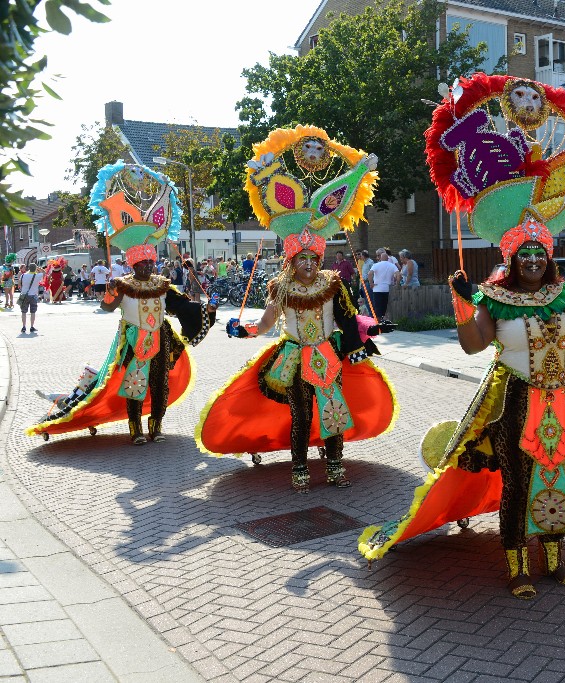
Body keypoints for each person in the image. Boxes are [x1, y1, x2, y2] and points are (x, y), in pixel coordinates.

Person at [360, 73, 565, 599]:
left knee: (561, 482)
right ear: (511, 260)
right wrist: (463, 298)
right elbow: (472, 345)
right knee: (518, 483)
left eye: (540, 254)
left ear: (548, 258)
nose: (533, 261)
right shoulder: (496, 297)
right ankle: (516, 566)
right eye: (524, 255)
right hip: (514, 403)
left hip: (564, 405)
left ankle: (554, 559)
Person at [199, 123, 390, 492]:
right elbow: (269, 321)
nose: (308, 264)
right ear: (291, 259)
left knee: (333, 411)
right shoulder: (281, 286)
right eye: (301, 258)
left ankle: (335, 465)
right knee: (301, 414)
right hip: (294, 358)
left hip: (328, 354)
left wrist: (366, 337)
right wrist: (247, 330)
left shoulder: (332, 283)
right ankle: (299, 467)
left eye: (312, 257)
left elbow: (349, 319)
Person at [27, 161, 217, 444]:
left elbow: (181, 307)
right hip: (133, 339)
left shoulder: (161, 285)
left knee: (159, 384)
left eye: (150, 263)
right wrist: (111, 294)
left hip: (161, 339)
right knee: (134, 385)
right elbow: (106, 308)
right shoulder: (124, 285)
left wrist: (206, 310)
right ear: (133, 263)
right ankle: (136, 430)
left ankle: (156, 426)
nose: (146, 268)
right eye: (141, 264)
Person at [367, 249, 399, 318]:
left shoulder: (376, 265)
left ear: (380, 258)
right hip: (386, 289)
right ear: (387, 258)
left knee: (377, 307)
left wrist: (371, 283)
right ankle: (383, 320)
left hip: (377, 288)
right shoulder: (392, 266)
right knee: (384, 307)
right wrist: (397, 284)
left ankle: (379, 324)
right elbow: (398, 275)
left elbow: (369, 274)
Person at [18, 263, 42, 333]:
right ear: (35, 269)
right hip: (33, 296)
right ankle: (31, 327)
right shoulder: (38, 275)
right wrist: (38, 268)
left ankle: (24, 327)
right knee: (33, 312)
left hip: (24, 295)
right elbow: (44, 272)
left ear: (28, 268)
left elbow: (19, 284)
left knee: (23, 312)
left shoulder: (23, 275)